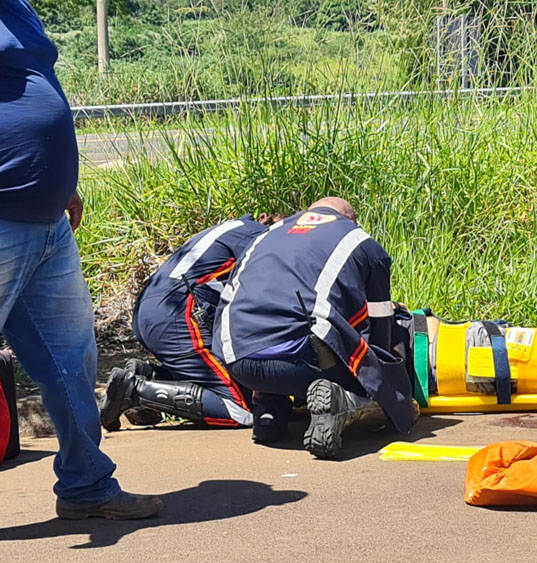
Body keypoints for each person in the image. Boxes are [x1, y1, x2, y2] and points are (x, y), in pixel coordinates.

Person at [0, 1, 160, 519]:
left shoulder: (18, 8)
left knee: (72, 361)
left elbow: (35, 82)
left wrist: (62, 183)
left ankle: (87, 488)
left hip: (48, 223)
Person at [213, 197, 417, 460]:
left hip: (237, 359)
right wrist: (384, 380)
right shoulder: (360, 241)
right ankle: (343, 402)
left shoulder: (266, 236)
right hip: (300, 360)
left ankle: (269, 410)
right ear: (350, 219)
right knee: (381, 388)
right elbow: (381, 324)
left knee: (274, 331)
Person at [100, 214, 280, 432]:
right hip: (178, 315)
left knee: (222, 378)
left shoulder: (227, 229)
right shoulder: (258, 238)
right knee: (239, 410)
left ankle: (151, 376)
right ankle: (134, 391)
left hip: (149, 309)